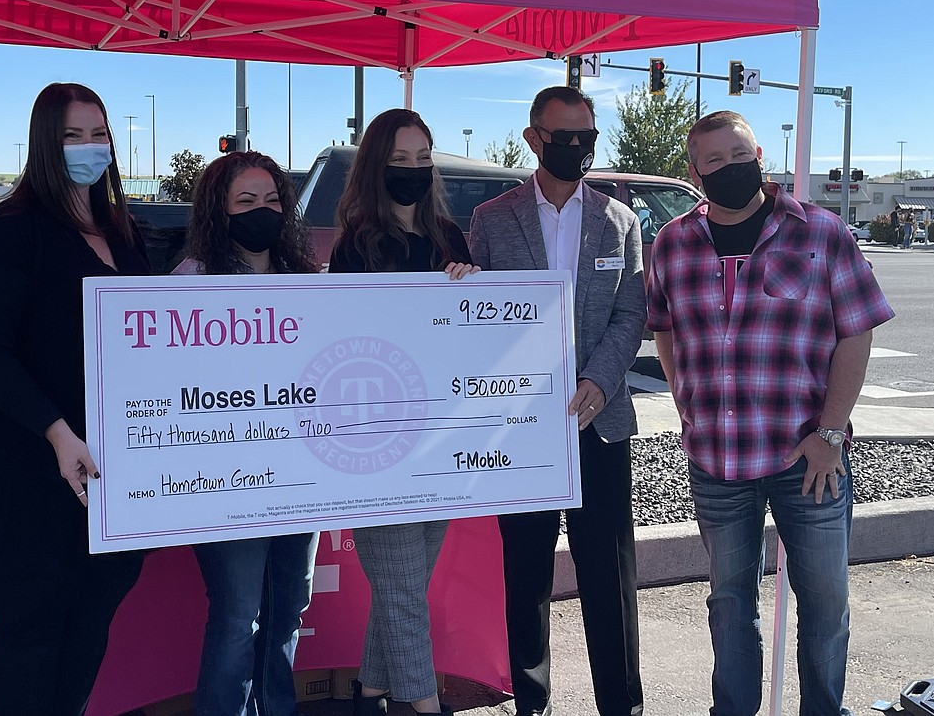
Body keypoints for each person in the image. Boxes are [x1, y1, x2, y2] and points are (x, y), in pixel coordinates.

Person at [646, 110, 895, 716]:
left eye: (740, 155)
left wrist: (830, 434)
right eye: (714, 161)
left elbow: (856, 331)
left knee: (825, 603)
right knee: (729, 601)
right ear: (693, 170)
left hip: (806, 458)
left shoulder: (821, 233)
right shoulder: (673, 243)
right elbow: (666, 331)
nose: (730, 168)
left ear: (760, 154)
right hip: (717, 461)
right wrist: (686, 405)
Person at [0, 83, 149, 716]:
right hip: (19, 464)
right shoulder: (11, 230)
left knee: (90, 619)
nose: (88, 147)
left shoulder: (120, 229)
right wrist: (55, 431)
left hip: (104, 466)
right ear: (44, 146)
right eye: (72, 136)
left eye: (98, 134)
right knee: (31, 627)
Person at [468, 86, 646, 716]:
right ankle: (531, 700)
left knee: (609, 576)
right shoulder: (492, 220)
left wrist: (598, 380)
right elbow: (479, 318)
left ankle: (620, 704)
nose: (576, 149)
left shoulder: (620, 220)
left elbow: (631, 311)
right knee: (527, 575)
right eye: (564, 138)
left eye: (587, 140)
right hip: (521, 428)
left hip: (598, 423)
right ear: (533, 139)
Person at [328, 108, 478, 716]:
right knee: (401, 590)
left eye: (423, 158)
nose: (414, 170)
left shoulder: (449, 237)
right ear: (375, 167)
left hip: (440, 442)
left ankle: (369, 693)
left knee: (404, 584)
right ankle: (421, 705)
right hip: (377, 442)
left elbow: (474, 335)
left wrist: (473, 289)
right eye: (399, 160)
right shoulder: (355, 245)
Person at [172, 151, 321, 716]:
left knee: (289, 609)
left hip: (301, 478)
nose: (262, 211)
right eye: (246, 201)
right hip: (225, 482)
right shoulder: (193, 281)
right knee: (238, 617)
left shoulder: (308, 280)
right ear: (218, 211)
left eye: (271, 201)